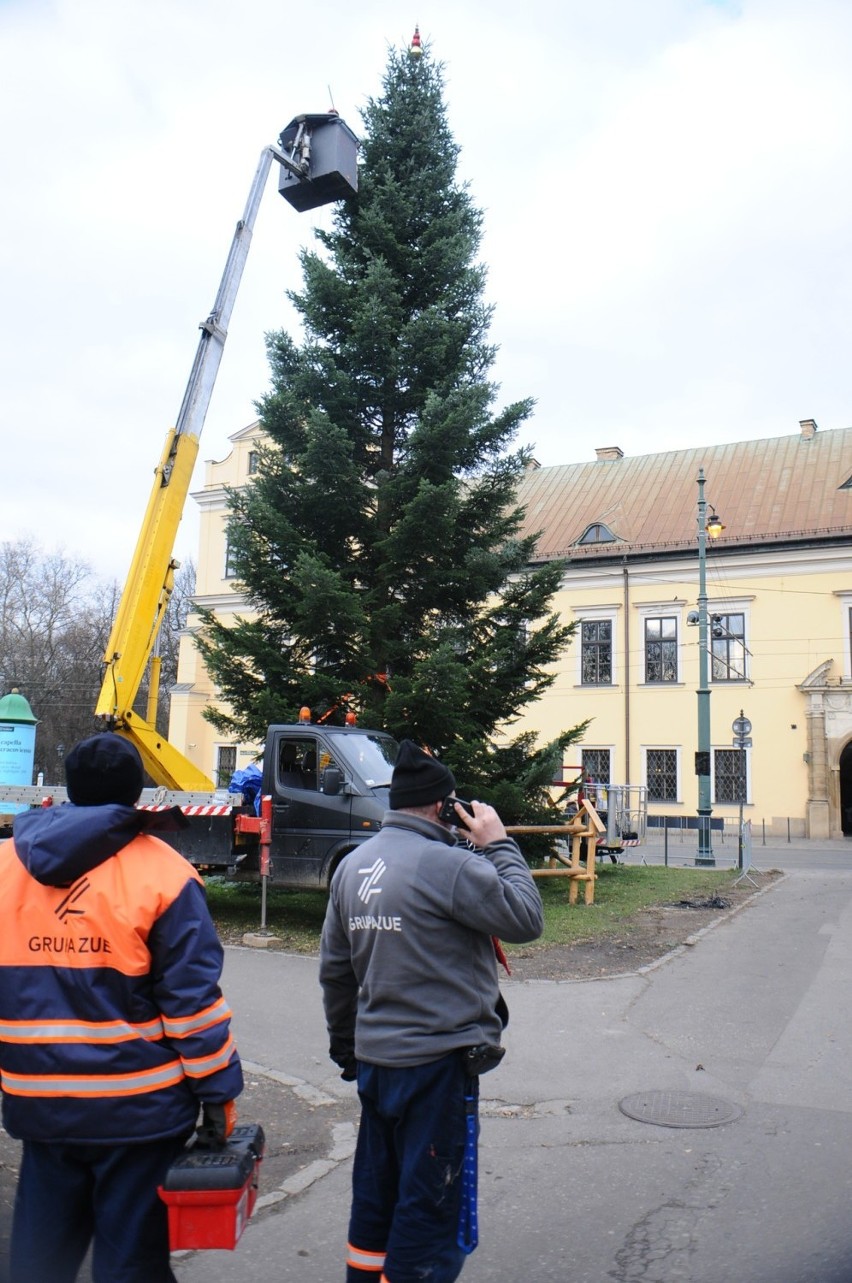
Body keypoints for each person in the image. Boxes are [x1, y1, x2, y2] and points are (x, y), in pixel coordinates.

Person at [0, 732, 243, 1283]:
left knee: (39, 1260)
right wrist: (217, 1091)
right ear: (137, 793)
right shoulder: (166, 874)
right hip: (138, 1111)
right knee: (131, 1263)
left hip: (39, 1105)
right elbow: (192, 1007)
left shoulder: (6, 865)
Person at [319, 738, 544, 1283]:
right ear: (444, 807)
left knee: (376, 1197)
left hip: (376, 1066)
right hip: (438, 1069)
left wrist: (349, 1048)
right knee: (431, 1209)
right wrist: (499, 843)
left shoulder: (353, 866)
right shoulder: (448, 866)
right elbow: (525, 917)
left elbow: (336, 971)